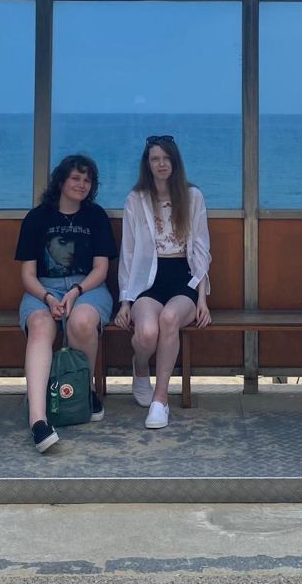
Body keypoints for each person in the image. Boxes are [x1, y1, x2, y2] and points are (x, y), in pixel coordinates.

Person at [15, 154, 117, 452]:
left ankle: (83, 392)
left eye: (87, 180)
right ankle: (38, 420)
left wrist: (75, 291)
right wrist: (47, 298)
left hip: (87, 286)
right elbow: (27, 274)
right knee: (39, 326)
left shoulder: (95, 216)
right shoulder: (37, 218)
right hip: (42, 288)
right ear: (61, 181)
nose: (81, 184)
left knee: (82, 321)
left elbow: (101, 269)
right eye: (75, 178)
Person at [114, 135, 211, 430]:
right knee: (145, 334)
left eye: (166, 158)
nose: (161, 164)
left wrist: (203, 298)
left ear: (175, 162)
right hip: (148, 280)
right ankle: (140, 366)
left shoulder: (192, 196)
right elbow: (128, 252)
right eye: (155, 159)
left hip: (185, 279)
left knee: (170, 319)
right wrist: (125, 301)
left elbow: (201, 248)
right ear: (147, 163)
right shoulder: (136, 199)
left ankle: (160, 400)